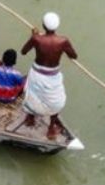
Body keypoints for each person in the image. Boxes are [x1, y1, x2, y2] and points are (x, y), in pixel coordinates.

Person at [13, 12, 77, 140]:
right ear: (57, 27)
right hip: (53, 74)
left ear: (43, 25)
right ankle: (51, 128)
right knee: (56, 101)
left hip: (37, 73)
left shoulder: (37, 39)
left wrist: (34, 37)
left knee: (32, 95)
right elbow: (74, 56)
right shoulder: (63, 41)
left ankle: (30, 117)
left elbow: (23, 52)